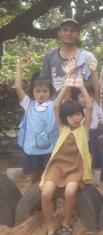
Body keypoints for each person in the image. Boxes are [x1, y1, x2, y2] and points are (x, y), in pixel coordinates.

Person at [39, 73, 93, 235]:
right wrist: (67, 86)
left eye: (78, 114)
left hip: (75, 168)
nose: (76, 118)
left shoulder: (84, 129)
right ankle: (49, 226)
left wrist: (81, 86)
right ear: (65, 118)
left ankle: (66, 223)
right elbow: (56, 105)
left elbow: (89, 106)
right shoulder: (63, 128)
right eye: (71, 116)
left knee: (70, 192)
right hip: (57, 167)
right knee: (46, 193)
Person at [15, 57, 58, 187]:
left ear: (50, 92)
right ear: (32, 92)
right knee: (34, 176)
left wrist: (69, 74)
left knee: (49, 176)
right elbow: (18, 87)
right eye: (38, 91)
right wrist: (19, 69)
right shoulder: (28, 104)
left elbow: (66, 94)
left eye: (45, 91)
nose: (41, 94)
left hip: (51, 147)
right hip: (32, 147)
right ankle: (32, 197)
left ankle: (48, 197)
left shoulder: (54, 105)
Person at [40, 18, 97, 91]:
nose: (69, 33)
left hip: (79, 97)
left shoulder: (87, 57)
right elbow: (44, 83)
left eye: (73, 30)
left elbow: (92, 86)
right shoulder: (49, 56)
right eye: (65, 30)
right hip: (55, 98)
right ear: (59, 33)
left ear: (78, 34)